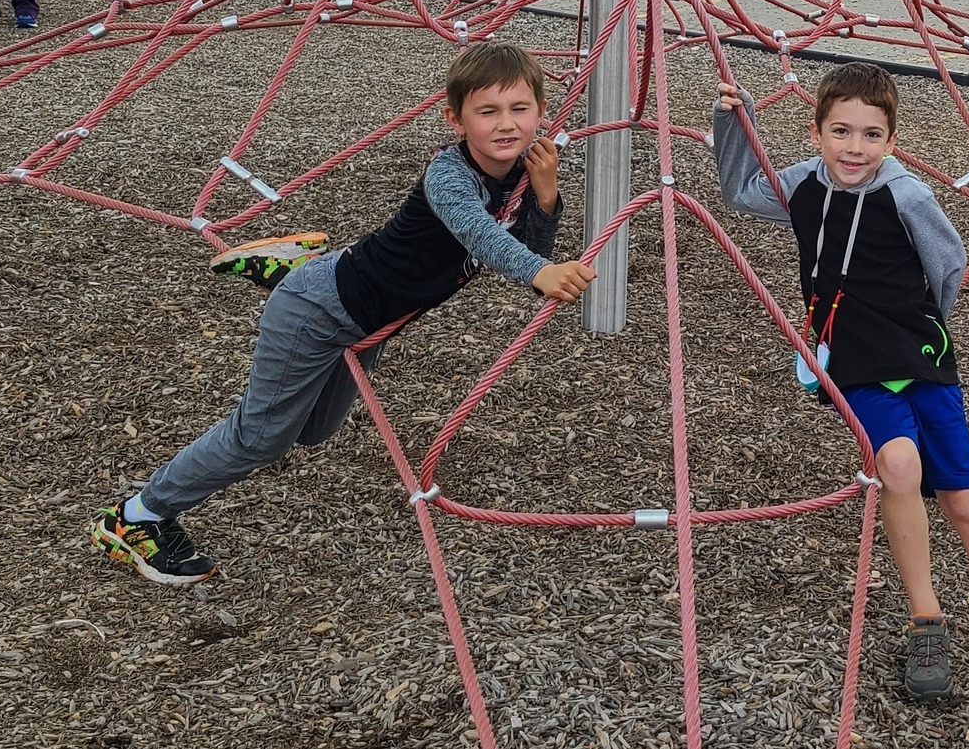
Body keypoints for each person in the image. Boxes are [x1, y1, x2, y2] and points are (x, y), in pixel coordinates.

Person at [91, 42, 598, 585]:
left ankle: (289, 266)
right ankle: (137, 517)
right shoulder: (448, 176)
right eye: (487, 111)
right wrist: (540, 271)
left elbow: (527, 247)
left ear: (541, 111)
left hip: (365, 325)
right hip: (321, 312)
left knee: (311, 432)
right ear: (455, 119)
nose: (506, 124)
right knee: (259, 438)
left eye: (520, 109)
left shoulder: (524, 169)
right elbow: (484, 238)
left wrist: (546, 196)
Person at [711, 62, 969, 713]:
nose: (855, 147)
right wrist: (734, 120)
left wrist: (920, 330)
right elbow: (741, 190)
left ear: (892, 137)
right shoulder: (803, 185)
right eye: (841, 131)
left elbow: (948, 264)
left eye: (871, 134)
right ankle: (926, 620)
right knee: (899, 463)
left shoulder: (907, 195)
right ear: (816, 131)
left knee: (964, 498)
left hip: (921, 352)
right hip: (854, 361)